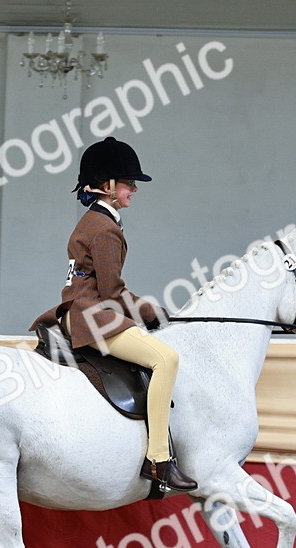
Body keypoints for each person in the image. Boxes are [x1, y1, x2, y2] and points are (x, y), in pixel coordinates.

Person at [30, 136, 198, 493]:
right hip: (94, 318)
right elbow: (113, 293)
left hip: (78, 313)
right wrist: (152, 312)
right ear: (107, 186)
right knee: (165, 360)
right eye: (128, 183)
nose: (134, 189)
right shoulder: (104, 229)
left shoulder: (94, 221)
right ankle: (159, 461)